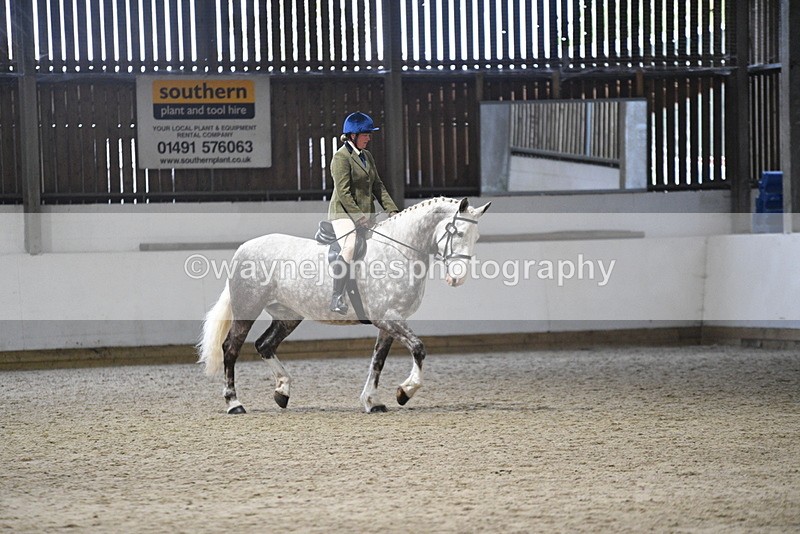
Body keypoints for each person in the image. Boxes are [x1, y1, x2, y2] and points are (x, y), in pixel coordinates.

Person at [328, 111, 400, 314]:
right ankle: (337, 296)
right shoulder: (341, 158)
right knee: (350, 246)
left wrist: (392, 210)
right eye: (366, 134)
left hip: (366, 216)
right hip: (343, 214)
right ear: (353, 135)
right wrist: (359, 217)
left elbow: (378, 186)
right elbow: (343, 192)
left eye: (369, 134)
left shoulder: (367, 156)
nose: (369, 138)